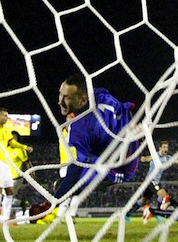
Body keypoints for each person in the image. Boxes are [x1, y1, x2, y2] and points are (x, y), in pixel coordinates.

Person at [51, 73, 139, 215]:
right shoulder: (99, 93)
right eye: (60, 95)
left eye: (67, 97)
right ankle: (66, 210)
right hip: (127, 138)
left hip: (122, 164)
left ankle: (61, 210)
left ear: (83, 100)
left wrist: (51, 202)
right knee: (71, 183)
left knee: (70, 183)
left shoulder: (80, 128)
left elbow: (75, 171)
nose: (60, 101)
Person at [138, 140, 178, 224]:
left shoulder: (167, 158)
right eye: (164, 147)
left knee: (144, 200)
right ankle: (156, 211)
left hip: (153, 182)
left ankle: (149, 213)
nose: (166, 149)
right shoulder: (155, 156)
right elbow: (148, 158)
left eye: (167, 147)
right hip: (151, 180)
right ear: (160, 148)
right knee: (164, 195)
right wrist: (144, 158)